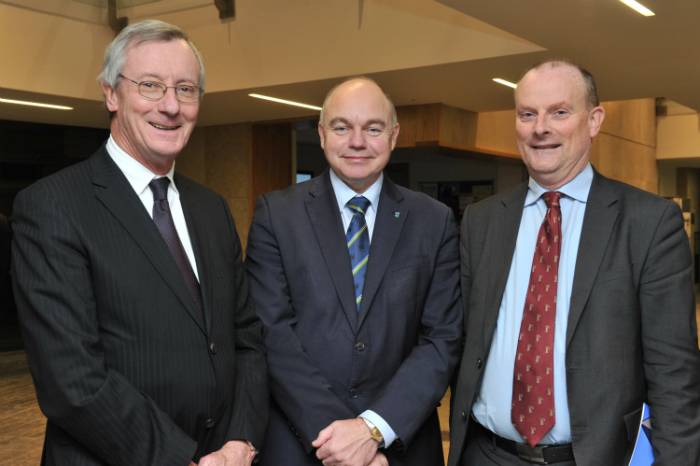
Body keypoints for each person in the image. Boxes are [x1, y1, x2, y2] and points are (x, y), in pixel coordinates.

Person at [12, 20, 268, 466]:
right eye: (150, 86)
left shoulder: (212, 209)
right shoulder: (52, 206)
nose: (171, 106)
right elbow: (72, 379)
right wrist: (179, 460)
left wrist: (240, 442)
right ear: (111, 93)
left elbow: (246, 340)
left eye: (186, 89)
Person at [448, 60, 700, 466]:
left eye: (559, 112)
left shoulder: (649, 223)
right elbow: (454, 342)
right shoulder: (482, 221)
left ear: (594, 120)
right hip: (486, 454)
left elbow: (675, 377)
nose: (540, 128)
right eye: (527, 114)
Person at [245, 76, 462, 466]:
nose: (357, 142)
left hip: (399, 449)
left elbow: (442, 339)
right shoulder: (277, 215)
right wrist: (340, 439)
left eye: (373, 128)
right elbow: (270, 333)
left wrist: (372, 430)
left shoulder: (435, 220)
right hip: (300, 445)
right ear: (323, 134)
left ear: (393, 136)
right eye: (342, 127)